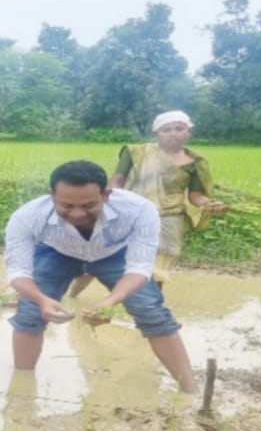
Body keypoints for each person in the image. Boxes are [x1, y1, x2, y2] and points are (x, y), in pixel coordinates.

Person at [4, 159, 199, 394]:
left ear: (106, 195)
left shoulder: (139, 210)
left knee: (150, 310)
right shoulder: (27, 217)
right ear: (51, 195)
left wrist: (110, 301)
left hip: (115, 253)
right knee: (30, 313)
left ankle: (191, 391)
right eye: (66, 205)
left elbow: (139, 268)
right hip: (57, 251)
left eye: (88, 205)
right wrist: (41, 299)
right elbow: (18, 273)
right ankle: (21, 387)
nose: (77, 213)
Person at [71, 110, 225, 296]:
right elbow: (117, 181)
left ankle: (150, 307)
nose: (173, 133)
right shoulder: (136, 153)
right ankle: (72, 297)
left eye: (179, 128)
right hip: (132, 212)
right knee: (102, 256)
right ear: (156, 133)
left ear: (188, 132)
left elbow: (195, 195)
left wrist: (209, 203)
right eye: (166, 129)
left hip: (169, 216)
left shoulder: (194, 162)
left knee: (156, 267)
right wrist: (109, 202)